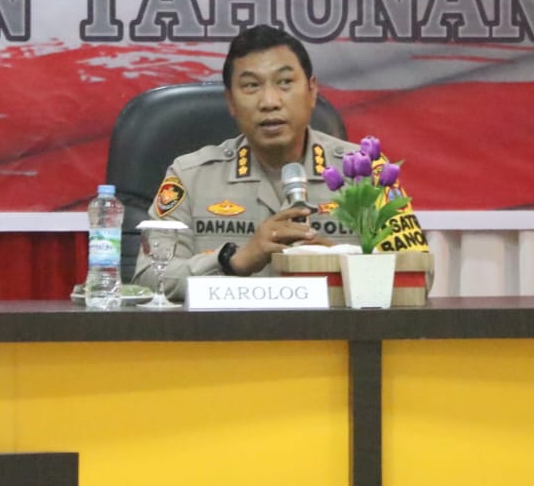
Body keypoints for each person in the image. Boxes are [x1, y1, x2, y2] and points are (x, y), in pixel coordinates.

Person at [132, 25, 363, 302]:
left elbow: (408, 269)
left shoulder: (364, 172)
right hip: (228, 331)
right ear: (231, 101)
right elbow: (148, 277)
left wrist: (338, 263)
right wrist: (231, 261)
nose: (270, 102)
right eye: (252, 85)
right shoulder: (190, 176)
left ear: (312, 91)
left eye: (285, 82)